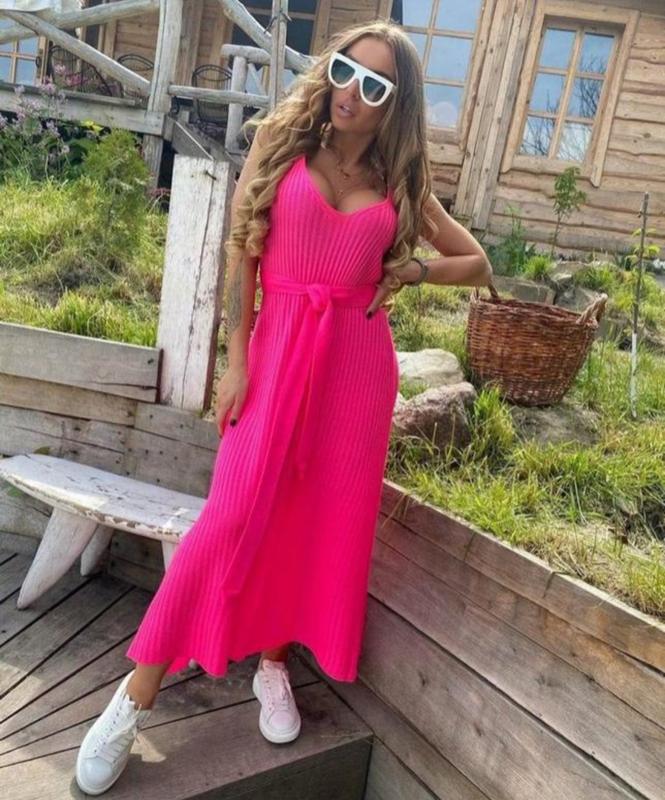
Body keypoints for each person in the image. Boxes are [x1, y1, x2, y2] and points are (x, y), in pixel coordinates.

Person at [74, 18, 492, 796]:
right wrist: (236, 358)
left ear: (395, 103)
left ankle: (274, 664)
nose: (351, 92)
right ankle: (135, 692)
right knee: (230, 517)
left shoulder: (400, 182)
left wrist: (409, 272)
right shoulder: (280, 140)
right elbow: (242, 248)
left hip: (355, 371)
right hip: (273, 358)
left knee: (318, 521)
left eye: (374, 85)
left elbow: (475, 261)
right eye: (344, 70)